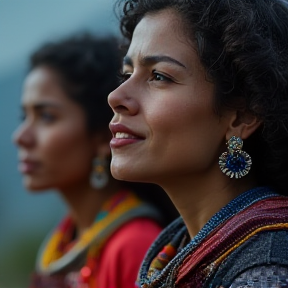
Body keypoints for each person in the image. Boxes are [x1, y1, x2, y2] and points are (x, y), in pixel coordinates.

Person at [108, 0, 288, 287]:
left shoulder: (267, 271)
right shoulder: (180, 250)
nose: (116, 96)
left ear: (240, 117)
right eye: (127, 74)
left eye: (159, 76)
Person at [13, 34, 177, 288]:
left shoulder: (135, 245)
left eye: (46, 117)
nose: (20, 137)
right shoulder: (65, 242)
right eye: (24, 116)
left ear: (103, 134)